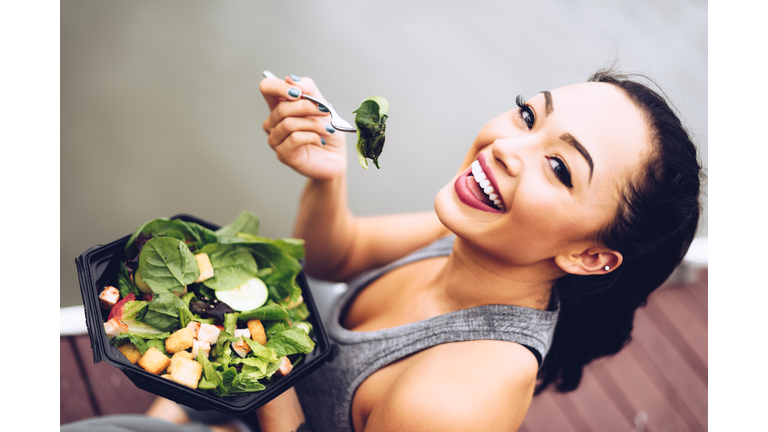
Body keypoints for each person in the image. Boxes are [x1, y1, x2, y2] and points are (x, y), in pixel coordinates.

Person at [62, 68, 703, 432]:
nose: (509, 146)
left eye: (561, 169)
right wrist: (326, 178)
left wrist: (264, 378)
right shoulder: (471, 236)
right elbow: (334, 261)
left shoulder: (461, 402)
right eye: (529, 116)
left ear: (592, 256)